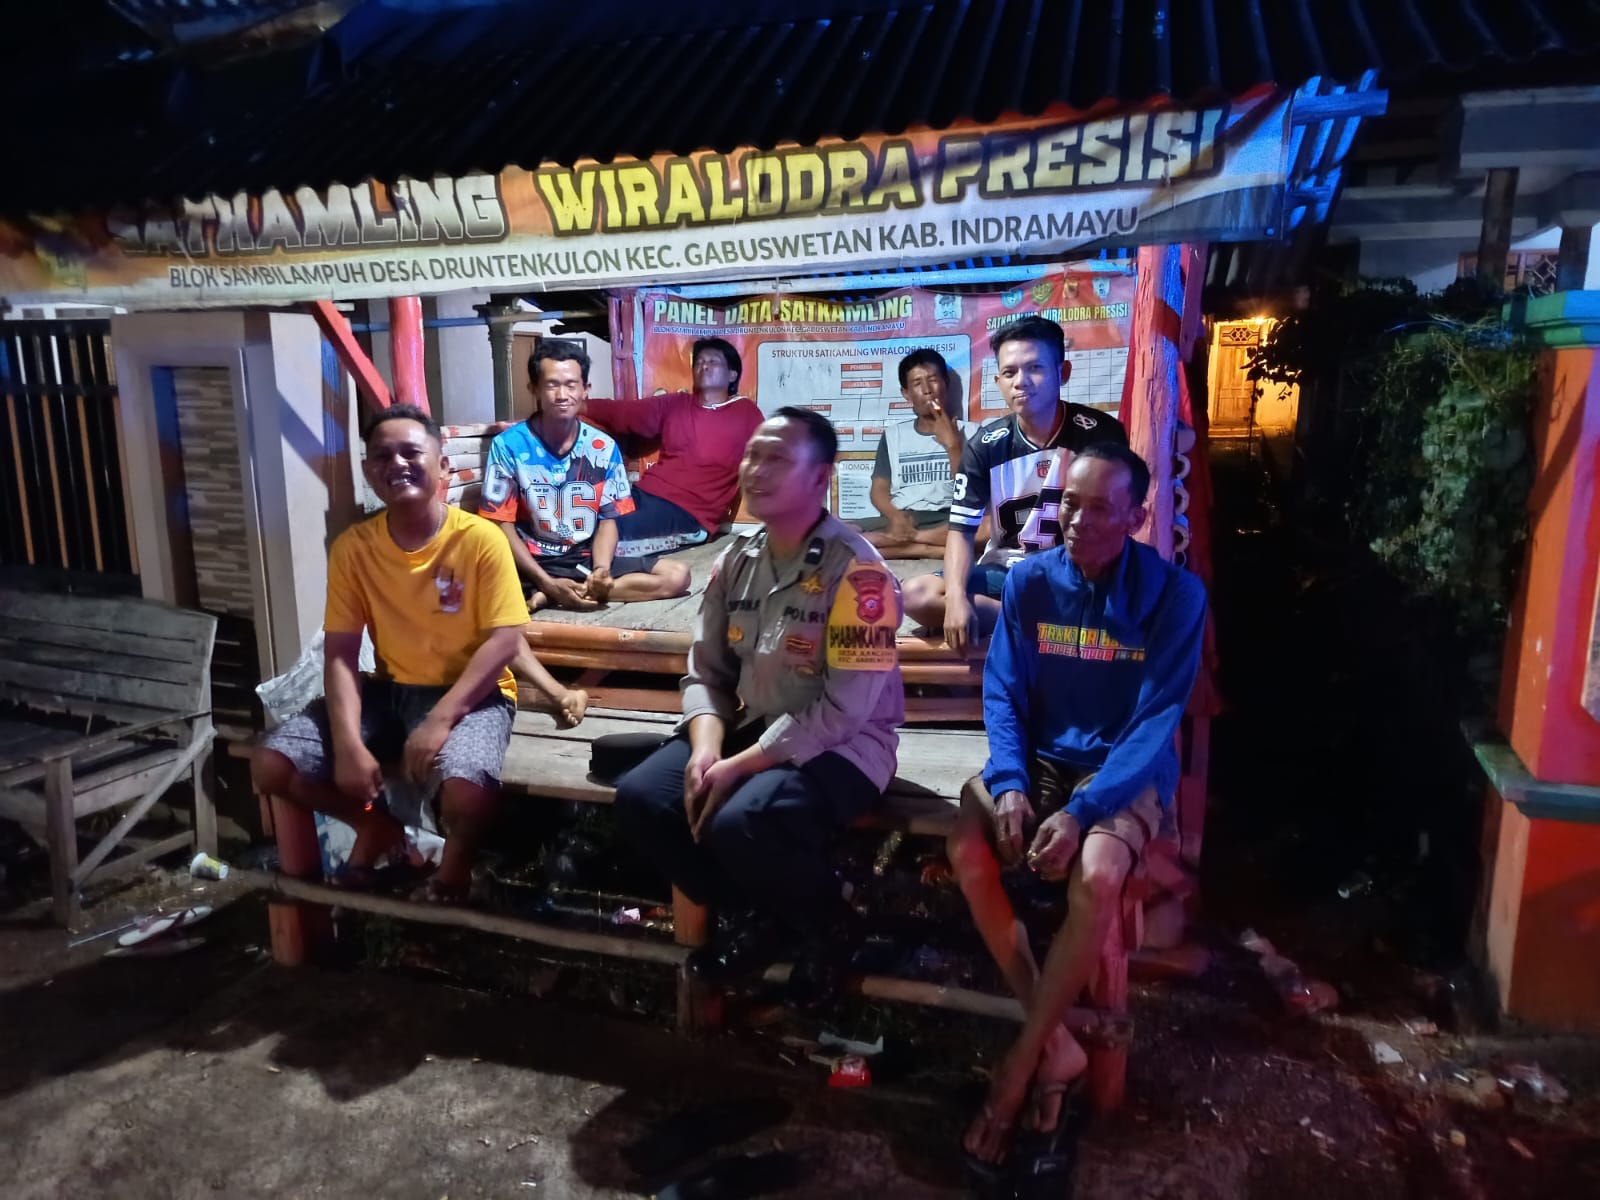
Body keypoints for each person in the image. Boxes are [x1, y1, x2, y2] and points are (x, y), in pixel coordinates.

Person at [946, 442, 1207, 1172]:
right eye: (1069, 501)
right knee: (964, 845)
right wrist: (1009, 784)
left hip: (1122, 772)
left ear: (1136, 516)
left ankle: (1018, 1071)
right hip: (1040, 762)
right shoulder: (1031, 582)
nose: (1077, 520)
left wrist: (1084, 810)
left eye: (1099, 508)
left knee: (1097, 874)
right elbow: (1003, 691)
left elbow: (1155, 722)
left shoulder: (1175, 595)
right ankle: (1058, 1045)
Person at [613, 408, 905, 1007]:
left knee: (742, 818)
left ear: (820, 477)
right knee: (644, 797)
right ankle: (762, 918)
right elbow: (707, 672)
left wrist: (738, 766)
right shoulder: (737, 560)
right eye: (753, 454)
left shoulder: (861, 575)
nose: (756, 469)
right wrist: (706, 749)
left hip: (846, 749)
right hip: (753, 728)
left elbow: (844, 713)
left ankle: (833, 926)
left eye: (777, 458)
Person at [251, 404, 531, 904]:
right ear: (368, 471)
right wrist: (348, 745)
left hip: (473, 693)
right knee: (272, 764)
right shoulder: (354, 548)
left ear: (442, 465)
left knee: (467, 793)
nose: (397, 464)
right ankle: (376, 829)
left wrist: (439, 721)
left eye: (411, 452)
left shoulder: (480, 540)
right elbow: (341, 651)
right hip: (390, 690)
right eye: (382, 456)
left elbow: (505, 640)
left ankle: (453, 874)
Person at [902, 315, 1126, 655]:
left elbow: (1118, 523)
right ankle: (1049, 627)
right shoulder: (985, 445)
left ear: (1062, 373)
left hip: (1076, 574)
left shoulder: (1101, 435)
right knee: (915, 595)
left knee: (1123, 603)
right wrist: (958, 599)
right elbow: (961, 531)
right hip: (1007, 573)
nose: (1021, 382)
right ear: (998, 381)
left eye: (1035, 368)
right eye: (1009, 372)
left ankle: (1033, 624)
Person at [480, 340, 691, 611]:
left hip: (582, 558)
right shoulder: (508, 445)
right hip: (528, 563)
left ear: (585, 390)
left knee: (677, 576)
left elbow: (608, 520)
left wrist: (601, 571)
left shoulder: (602, 448)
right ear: (534, 389)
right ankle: (552, 589)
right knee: (481, 582)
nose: (562, 395)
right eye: (552, 385)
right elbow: (500, 524)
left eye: (571, 385)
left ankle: (566, 593)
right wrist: (545, 581)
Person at [584, 337, 763, 557]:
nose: (704, 366)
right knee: (582, 521)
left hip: (688, 516)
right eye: (699, 362)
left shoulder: (746, 413)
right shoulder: (676, 404)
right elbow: (622, 413)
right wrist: (577, 405)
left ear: (732, 375)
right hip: (641, 495)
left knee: (608, 537)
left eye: (713, 361)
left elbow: (771, 456)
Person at [857, 348, 980, 559]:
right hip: (905, 516)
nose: (927, 390)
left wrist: (953, 446)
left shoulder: (973, 432)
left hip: (948, 518)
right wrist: (895, 516)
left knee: (985, 529)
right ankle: (933, 549)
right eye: (917, 383)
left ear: (946, 384)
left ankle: (913, 545)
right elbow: (878, 491)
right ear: (906, 393)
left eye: (933, 380)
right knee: (844, 534)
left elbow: (972, 493)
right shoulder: (894, 435)